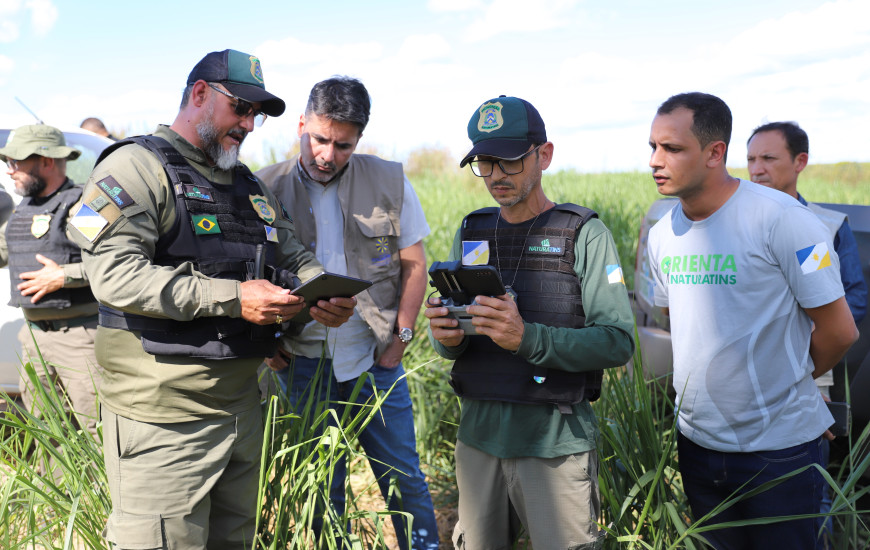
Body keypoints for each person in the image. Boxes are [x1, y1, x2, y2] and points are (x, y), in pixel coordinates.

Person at [68, 49, 355, 550]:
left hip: (242, 411)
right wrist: (232, 298)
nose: (248, 124)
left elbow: (292, 253)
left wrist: (322, 292)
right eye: (239, 108)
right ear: (199, 93)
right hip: (162, 421)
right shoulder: (136, 168)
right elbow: (114, 274)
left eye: (255, 115)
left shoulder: (248, 186)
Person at [646, 92, 859, 549]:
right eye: (653, 147)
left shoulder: (785, 220)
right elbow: (677, 320)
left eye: (672, 148)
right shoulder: (664, 234)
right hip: (698, 446)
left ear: (714, 153)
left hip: (780, 452)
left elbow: (840, 331)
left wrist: (788, 382)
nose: (655, 161)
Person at [425, 95, 635, 549]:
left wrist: (527, 338)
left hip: (553, 440)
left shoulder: (583, 232)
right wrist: (446, 335)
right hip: (478, 435)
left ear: (545, 155)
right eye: (484, 163)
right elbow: (461, 335)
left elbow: (618, 342)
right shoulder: (473, 229)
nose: (496, 175)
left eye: (510, 161)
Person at [256, 76, 439, 550]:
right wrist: (269, 348)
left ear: (359, 139)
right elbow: (246, 275)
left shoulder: (389, 180)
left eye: (342, 145)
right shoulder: (263, 187)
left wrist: (401, 339)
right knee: (320, 489)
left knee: (405, 481)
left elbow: (415, 264)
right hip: (300, 366)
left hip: (375, 363)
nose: (327, 154)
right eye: (319, 139)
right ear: (300, 124)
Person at [747, 120, 868, 547]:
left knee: (805, 479)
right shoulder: (731, 222)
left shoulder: (825, 226)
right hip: (743, 376)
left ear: (800, 163)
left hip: (809, 369)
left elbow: (851, 299)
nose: (756, 169)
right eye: (750, 160)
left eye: (768, 159)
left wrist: (801, 358)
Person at [0, 124, 103, 435]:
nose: (9, 172)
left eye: (15, 162)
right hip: (33, 339)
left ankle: (99, 486)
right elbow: (4, 251)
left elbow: (113, 262)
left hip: (79, 339)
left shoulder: (81, 207)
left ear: (46, 161)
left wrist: (64, 276)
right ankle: (55, 486)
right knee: (47, 432)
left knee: (96, 429)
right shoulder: (23, 210)